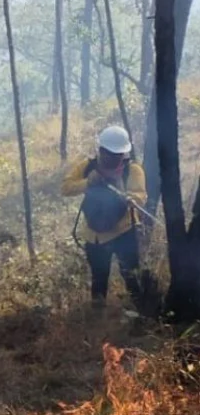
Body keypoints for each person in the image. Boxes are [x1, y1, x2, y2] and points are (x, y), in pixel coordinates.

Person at [61, 125, 148, 308]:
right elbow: (66, 188)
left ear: (123, 154)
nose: (112, 157)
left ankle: (141, 311)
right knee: (99, 279)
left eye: (117, 154)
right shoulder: (88, 167)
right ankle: (99, 320)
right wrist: (88, 182)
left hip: (124, 233)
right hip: (95, 237)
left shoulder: (132, 170)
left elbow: (140, 195)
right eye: (108, 152)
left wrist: (132, 199)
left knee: (131, 276)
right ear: (100, 150)